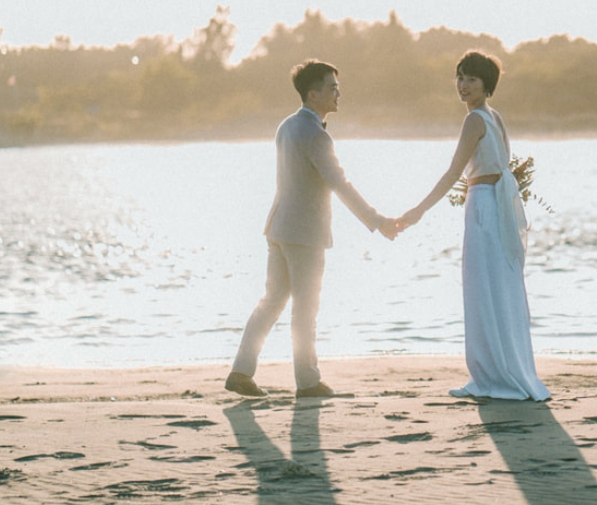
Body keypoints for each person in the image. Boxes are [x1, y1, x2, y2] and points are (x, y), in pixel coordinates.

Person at [225, 60, 397, 399]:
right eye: (332, 87)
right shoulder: (315, 134)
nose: (338, 92)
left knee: (272, 301)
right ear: (312, 92)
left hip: (278, 226)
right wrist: (377, 221)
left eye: (337, 86)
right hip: (303, 233)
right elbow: (340, 183)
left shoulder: (287, 126)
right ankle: (307, 381)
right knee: (305, 308)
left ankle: (241, 371)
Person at [399, 51, 550, 401]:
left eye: (471, 79)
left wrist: (419, 210)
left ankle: (492, 376)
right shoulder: (494, 118)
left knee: (483, 287)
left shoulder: (476, 120)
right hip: (494, 202)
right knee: (500, 285)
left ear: (487, 85)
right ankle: (507, 369)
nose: (463, 85)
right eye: (460, 77)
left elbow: (455, 171)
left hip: (484, 203)